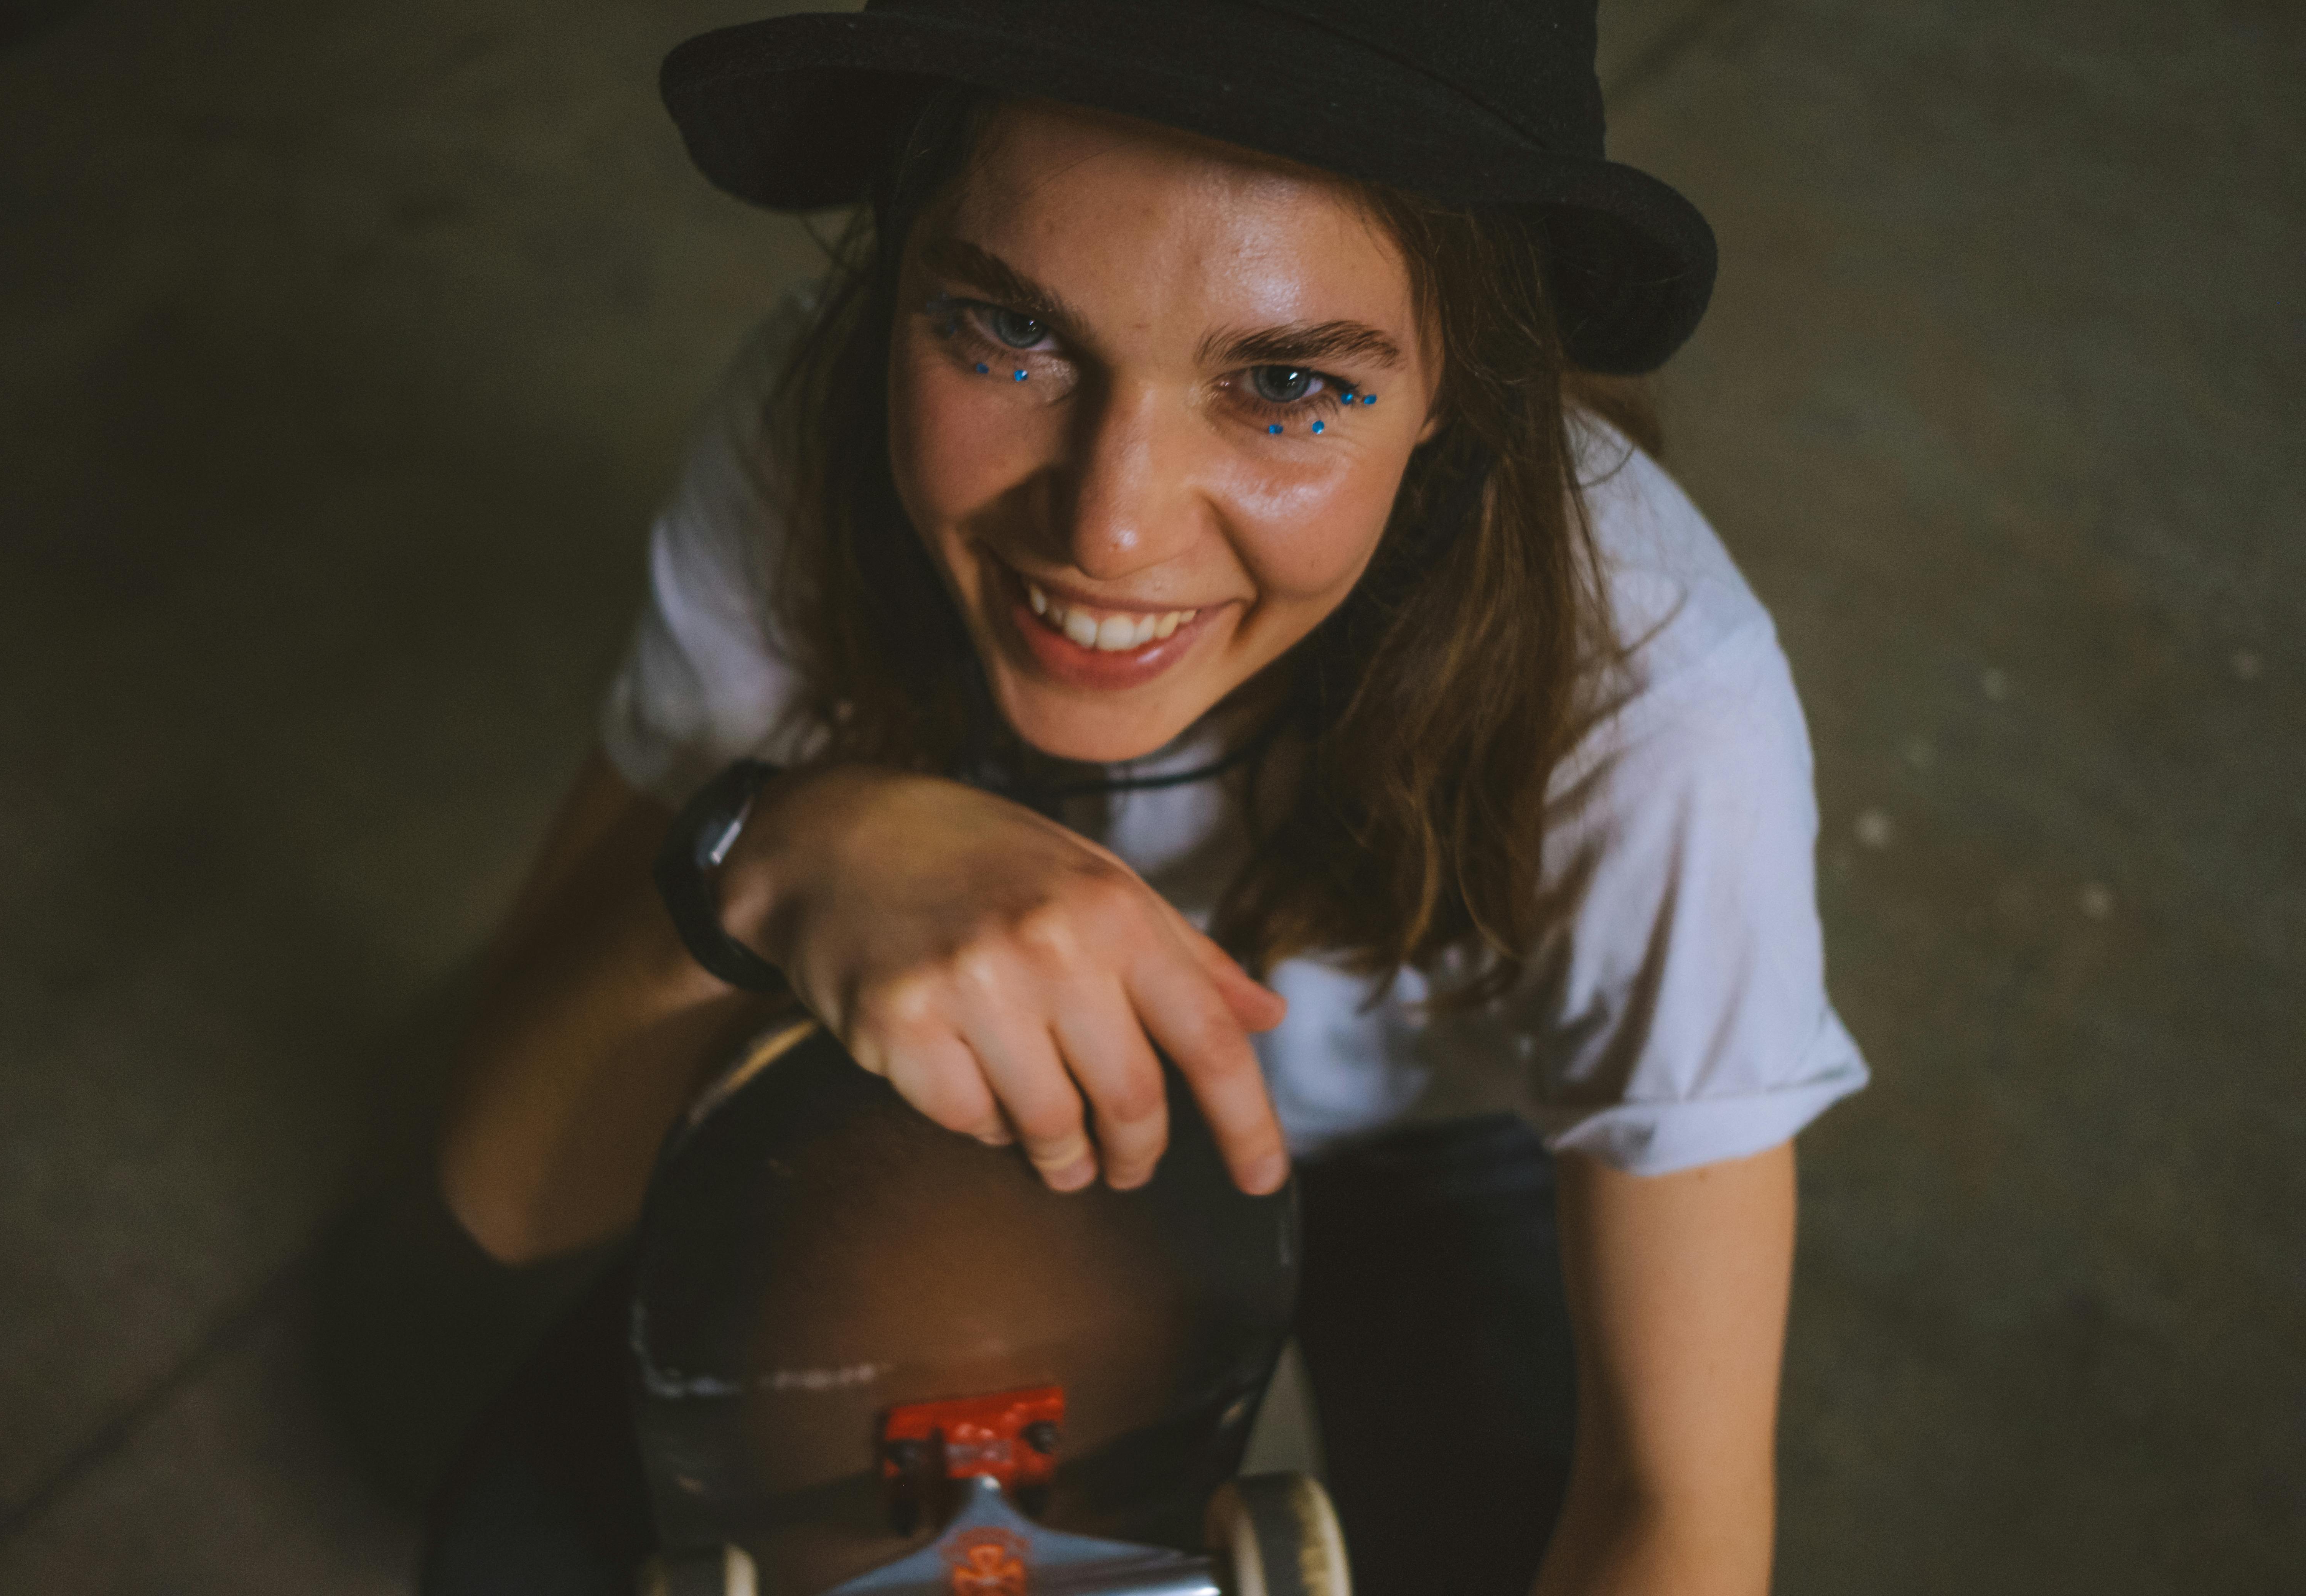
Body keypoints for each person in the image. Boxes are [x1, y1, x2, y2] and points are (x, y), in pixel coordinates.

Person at [429, 4, 1869, 1594]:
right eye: (1006, 331)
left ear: (1465, 378)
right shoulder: (813, 432)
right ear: (900, 266)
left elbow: (1679, 1501)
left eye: (1289, 387)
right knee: (522, 1551)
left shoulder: (1655, 694)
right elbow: (508, 1190)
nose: (1110, 532)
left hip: (1432, 1141)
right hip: (950, 1070)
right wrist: (766, 851)